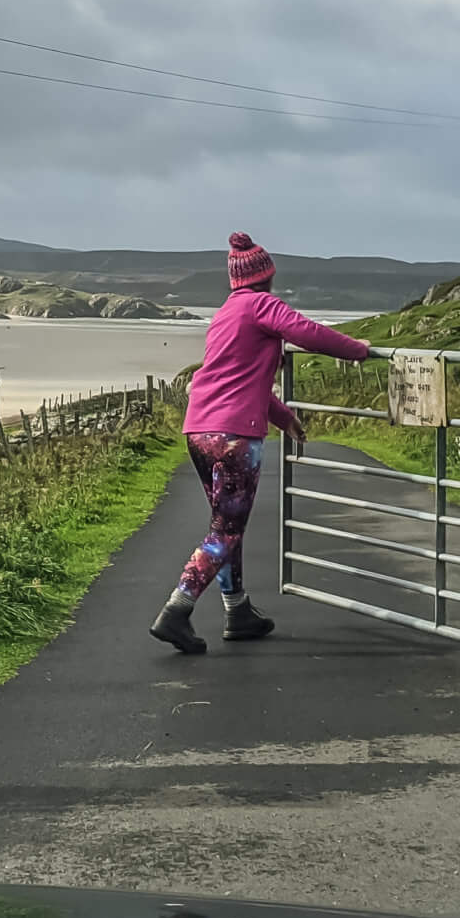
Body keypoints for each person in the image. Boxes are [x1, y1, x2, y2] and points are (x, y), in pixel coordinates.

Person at [152, 231, 380, 654]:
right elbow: (308, 332)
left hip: (199, 430)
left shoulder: (225, 314)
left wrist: (283, 416)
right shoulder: (262, 305)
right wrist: (357, 351)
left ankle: (237, 611)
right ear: (266, 277)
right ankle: (176, 610)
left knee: (224, 526)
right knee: (226, 529)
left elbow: (238, 379)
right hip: (234, 437)